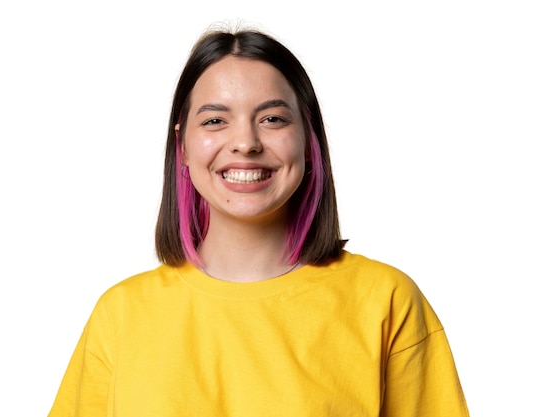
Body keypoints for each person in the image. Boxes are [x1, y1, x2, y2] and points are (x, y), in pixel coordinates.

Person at [47, 26, 469, 416]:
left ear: (309, 141)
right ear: (183, 147)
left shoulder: (386, 301)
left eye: (273, 119)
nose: (246, 143)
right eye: (215, 120)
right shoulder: (120, 315)